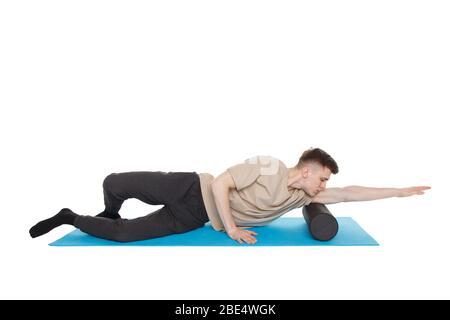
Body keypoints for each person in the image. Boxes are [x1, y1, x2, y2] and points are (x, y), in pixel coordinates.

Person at [29, 148, 431, 244]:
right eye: (323, 179)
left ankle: (70, 217)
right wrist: (234, 226)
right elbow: (221, 183)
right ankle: (107, 209)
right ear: (307, 170)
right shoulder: (268, 165)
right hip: (189, 187)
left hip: (194, 218)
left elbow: (351, 193)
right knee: (116, 180)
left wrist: (398, 192)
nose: (325, 188)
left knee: (124, 235)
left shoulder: (301, 199)